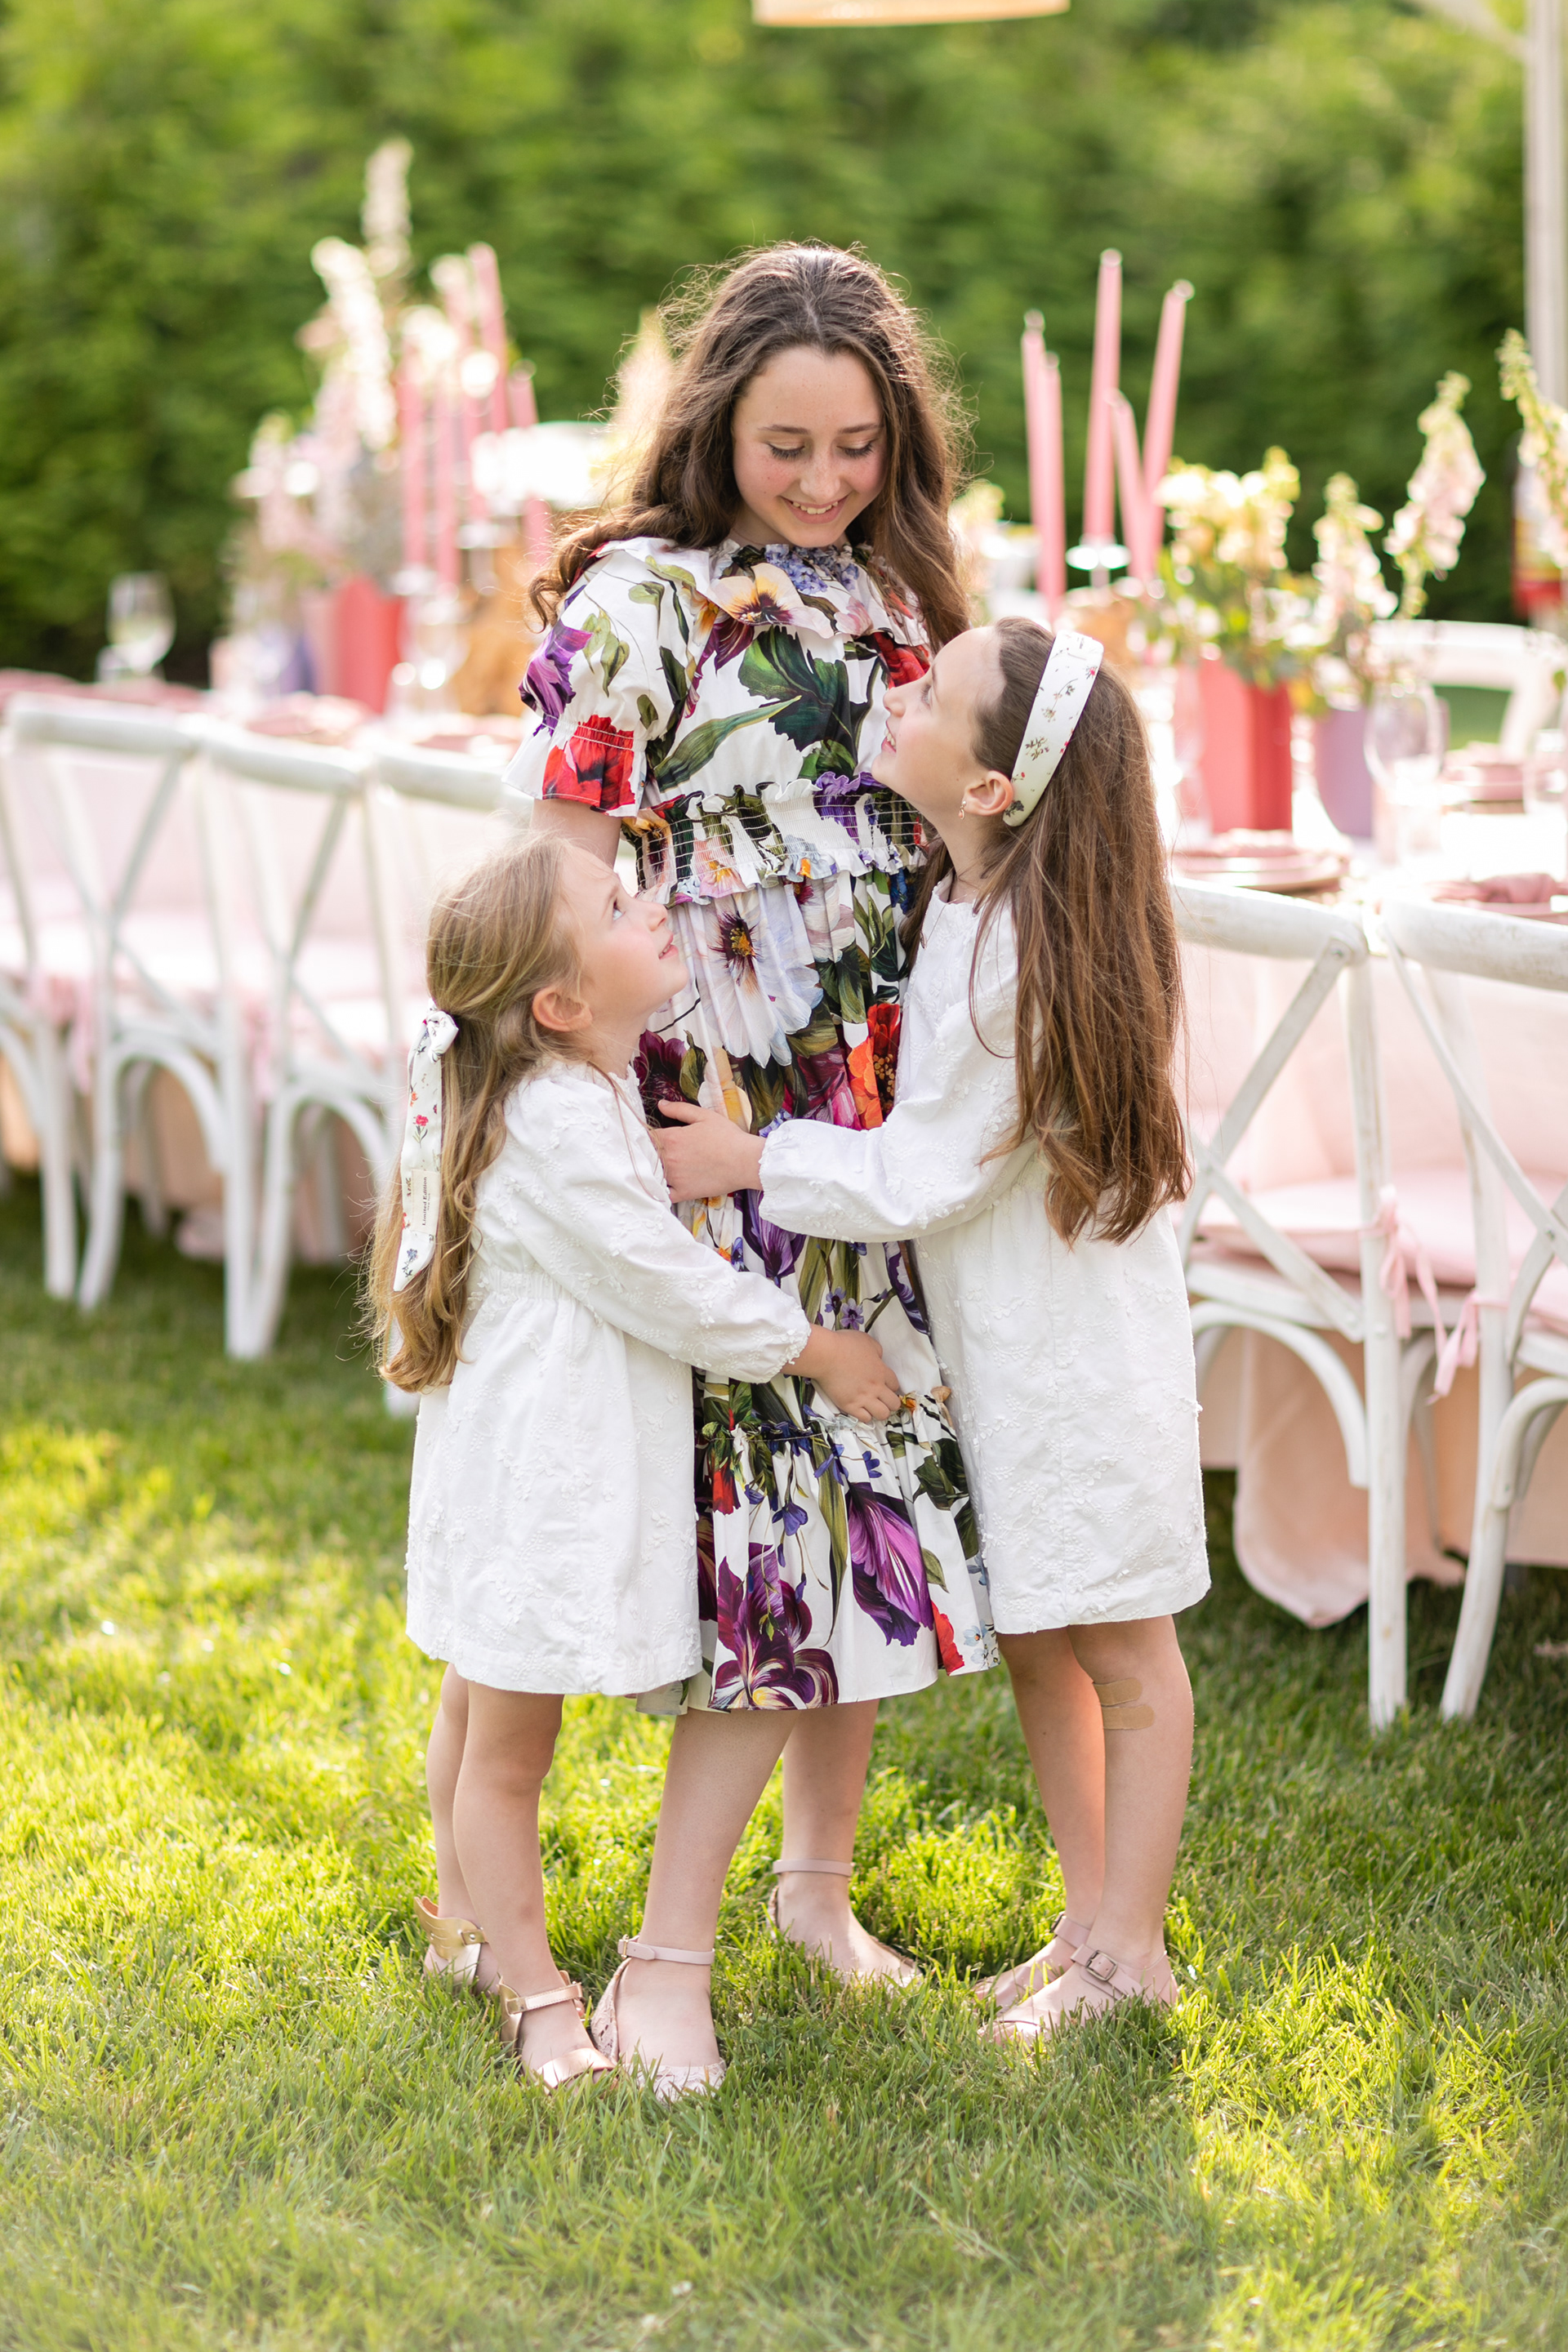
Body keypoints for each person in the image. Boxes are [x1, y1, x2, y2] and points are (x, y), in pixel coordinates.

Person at [506, 243, 996, 2084]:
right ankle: (662, 1962)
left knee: (870, 1497)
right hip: (711, 1118)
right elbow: (562, 883)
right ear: (716, 424)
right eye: (787, 447)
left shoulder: (895, 599)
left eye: (858, 448)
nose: (822, 482)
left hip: (866, 1124)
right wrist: (615, 1128)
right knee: (779, 1527)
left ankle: (815, 1889)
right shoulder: (637, 603)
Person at [656, 617, 1209, 2038]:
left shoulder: (1020, 947)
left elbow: (926, 1172)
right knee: (1042, 1636)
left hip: (1078, 1356)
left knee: (1123, 1648)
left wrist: (745, 1157)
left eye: (936, 694)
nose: (901, 694)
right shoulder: (972, 899)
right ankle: (1088, 1924)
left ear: (989, 788)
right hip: (1007, 1345)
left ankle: (1131, 1954)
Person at [365, 833, 902, 2092]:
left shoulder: (570, 1082)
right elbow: (666, 1285)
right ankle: (539, 1999)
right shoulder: (555, 1115)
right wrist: (815, 1347)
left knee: (479, 1701)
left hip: (514, 1460)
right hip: (540, 1482)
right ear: (559, 1004)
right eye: (616, 904)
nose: (650, 902)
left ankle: (463, 1925)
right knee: (508, 1751)